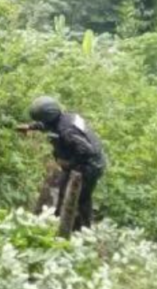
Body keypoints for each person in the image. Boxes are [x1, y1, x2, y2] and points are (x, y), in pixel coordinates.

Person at [19, 96, 107, 231]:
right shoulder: (65, 117)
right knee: (64, 192)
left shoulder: (67, 131)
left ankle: (80, 231)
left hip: (90, 165)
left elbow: (86, 151)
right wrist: (31, 127)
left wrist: (69, 164)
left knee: (79, 198)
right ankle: (62, 223)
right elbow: (48, 125)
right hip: (84, 162)